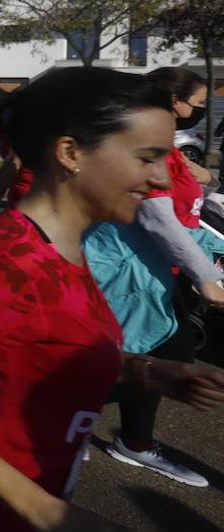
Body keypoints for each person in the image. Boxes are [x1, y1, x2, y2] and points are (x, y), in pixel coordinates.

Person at [0, 64, 224, 531]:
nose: (162, 179)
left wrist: (145, 371)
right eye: (146, 157)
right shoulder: (14, 259)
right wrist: (40, 508)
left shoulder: (72, 244)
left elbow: (36, 346)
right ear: (71, 152)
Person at [87, 66, 224, 487]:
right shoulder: (141, 145)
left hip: (156, 272)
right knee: (154, 361)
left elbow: (187, 211)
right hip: (129, 274)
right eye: (197, 105)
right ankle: (45, 412)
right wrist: (208, 280)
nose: (199, 113)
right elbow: (160, 220)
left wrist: (208, 179)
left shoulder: (168, 147)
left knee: (162, 355)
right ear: (171, 101)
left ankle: (134, 440)